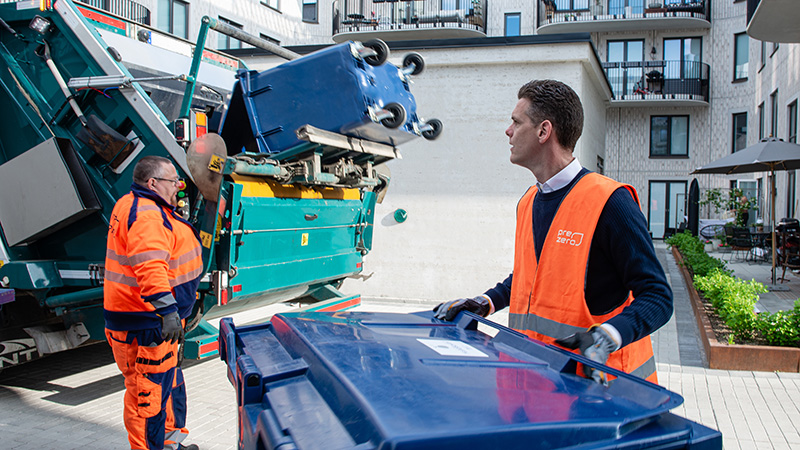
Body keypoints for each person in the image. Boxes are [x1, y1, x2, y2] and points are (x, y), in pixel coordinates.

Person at [434, 80, 673, 384]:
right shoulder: (529, 202)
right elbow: (530, 279)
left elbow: (658, 296)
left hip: (597, 392)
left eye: (516, 122)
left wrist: (606, 337)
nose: (508, 131)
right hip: (533, 383)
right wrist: (486, 302)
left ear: (544, 131)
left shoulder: (611, 202)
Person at [104, 155, 203, 450]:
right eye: (174, 181)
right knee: (147, 395)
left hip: (153, 320)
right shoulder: (146, 215)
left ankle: (170, 442)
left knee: (167, 385)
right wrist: (168, 311)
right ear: (153, 183)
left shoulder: (139, 205)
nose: (179, 186)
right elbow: (150, 266)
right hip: (146, 322)